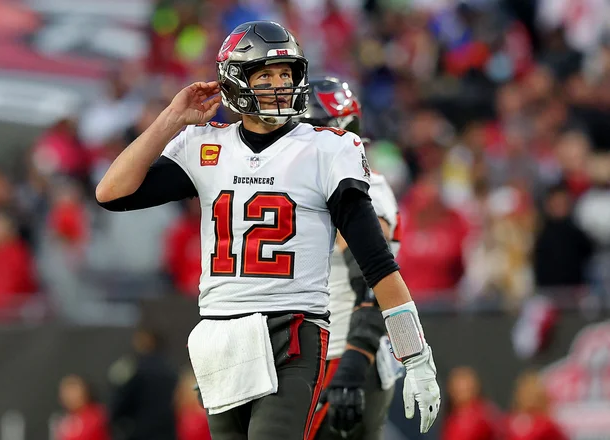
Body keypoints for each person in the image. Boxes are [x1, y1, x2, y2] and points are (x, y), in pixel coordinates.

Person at [96, 20, 440, 440]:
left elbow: (379, 266)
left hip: (290, 328)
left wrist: (415, 355)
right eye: (265, 75)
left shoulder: (326, 149)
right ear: (237, 81)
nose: (280, 84)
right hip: (219, 334)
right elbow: (111, 192)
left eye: (285, 74)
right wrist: (171, 118)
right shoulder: (206, 145)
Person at [297, 77, 404, 440]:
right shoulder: (306, 186)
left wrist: (354, 360)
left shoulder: (361, 188)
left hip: (345, 353)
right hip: (316, 353)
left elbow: (373, 282)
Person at [108, 327, 179, 440]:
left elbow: (122, 400)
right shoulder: (171, 371)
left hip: (140, 431)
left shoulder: (136, 370)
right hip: (167, 431)